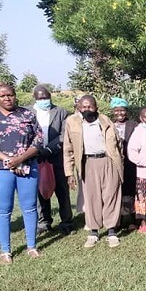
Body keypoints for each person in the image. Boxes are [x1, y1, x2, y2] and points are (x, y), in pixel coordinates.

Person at [64, 95, 123, 248]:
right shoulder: (72, 123)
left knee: (111, 195)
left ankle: (111, 231)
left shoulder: (105, 121)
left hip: (108, 161)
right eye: (83, 107)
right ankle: (94, 232)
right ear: (78, 108)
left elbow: (118, 143)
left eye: (90, 106)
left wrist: (119, 161)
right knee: (92, 198)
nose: (87, 109)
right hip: (88, 163)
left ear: (96, 107)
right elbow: (68, 149)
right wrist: (69, 173)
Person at [0, 83, 43, 263]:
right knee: (3, 211)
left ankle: (31, 246)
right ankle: (5, 251)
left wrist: (20, 159)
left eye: (10, 95)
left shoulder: (27, 114)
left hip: (28, 168)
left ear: (15, 95)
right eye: (3, 96)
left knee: (30, 207)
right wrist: (8, 160)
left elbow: (39, 139)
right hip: (3, 169)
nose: (7, 98)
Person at [31, 85, 74, 235]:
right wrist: (36, 151)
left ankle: (66, 222)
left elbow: (64, 134)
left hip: (57, 158)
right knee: (41, 191)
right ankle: (44, 222)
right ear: (35, 98)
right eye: (40, 98)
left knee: (62, 192)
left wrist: (49, 149)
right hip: (36, 159)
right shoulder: (28, 113)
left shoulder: (60, 112)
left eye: (46, 97)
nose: (44, 100)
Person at [110, 97, 138, 230]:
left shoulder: (134, 125)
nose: (119, 113)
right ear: (113, 111)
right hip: (114, 164)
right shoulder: (109, 125)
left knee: (129, 192)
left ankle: (132, 220)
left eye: (122, 110)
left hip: (130, 164)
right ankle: (118, 220)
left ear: (126, 111)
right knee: (115, 192)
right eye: (117, 110)